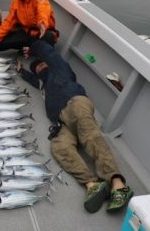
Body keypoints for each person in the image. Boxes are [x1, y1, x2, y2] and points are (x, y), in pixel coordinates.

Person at [17, 40, 133, 213]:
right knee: (59, 148)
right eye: (37, 69)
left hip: (75, 104)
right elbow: (34, 80)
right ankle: (92, 184)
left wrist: (34, 44)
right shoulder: (43, 84)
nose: (40, 68)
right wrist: (22, 72)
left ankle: (118, 185)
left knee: (91, 138)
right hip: (61, 122)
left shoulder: (59, 69)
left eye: (41, 65)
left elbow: (50, 53)